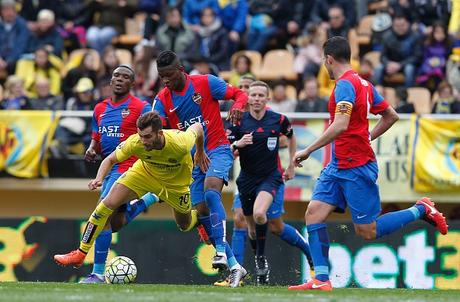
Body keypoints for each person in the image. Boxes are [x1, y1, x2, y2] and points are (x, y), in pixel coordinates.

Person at [288, 36, 448, 292]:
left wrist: (308, 150)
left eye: (323, 61)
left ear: (328, 59)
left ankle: (421, 209)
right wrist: (368, 135)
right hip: (339, 164)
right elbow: (391, 115)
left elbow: (340, 124)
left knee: (367, 231)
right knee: (314, 213)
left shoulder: (344, 86)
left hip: (356, 165)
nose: (324, 65)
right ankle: (321, 279)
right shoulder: (363, 83)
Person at [54, 111, 207, 276]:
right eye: (141, 135)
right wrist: (99, 178)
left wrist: (200, 150)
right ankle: (80, 253)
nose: (143, 141)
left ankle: (196, 219)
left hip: (176, 186)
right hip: (145, 174)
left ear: (160, 133)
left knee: (184, 225)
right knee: (106, 204)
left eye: (147, 137)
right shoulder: (135, 142)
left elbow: (198, 127)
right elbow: (110, 159)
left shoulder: (180, 142)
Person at [153, 50, 248, 287]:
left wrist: (237, 104)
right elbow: (156, 131)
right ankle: (236, 267)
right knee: (199, 213)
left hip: (218, 149)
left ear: (181, 70)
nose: (165, 80)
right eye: (161, 76)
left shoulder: (205, 83)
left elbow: (239, 94)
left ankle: (221, 252)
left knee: (210, 190)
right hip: (191, 161)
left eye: (169, 75)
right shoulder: (162, 99)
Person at [54, 65, 152, 283]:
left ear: (132, 84)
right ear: (110, 80)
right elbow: (97, 137)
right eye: (116, 75)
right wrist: (91, 149)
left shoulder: (141, 107)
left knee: (102, 213)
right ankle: (147, 201)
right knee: (114, 223)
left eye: (125, 77)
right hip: (109, 168)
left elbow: (152, 137)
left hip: (128, 166)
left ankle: (95, 271)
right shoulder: (100, 108)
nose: (119, 79)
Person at [226, 80, 313, 286]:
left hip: (270, 177)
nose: (256, 99)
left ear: (267, 99)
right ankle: (246, 270)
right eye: (253, 95)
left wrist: (292, 163)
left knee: (260, 215)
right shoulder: (239, 121)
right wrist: (237, 144)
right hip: (246, 179)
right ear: (247, 98)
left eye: (260, 95)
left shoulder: (279, 119)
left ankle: (260, 261)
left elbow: (291, 137)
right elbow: (226, 148)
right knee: (251, 228)